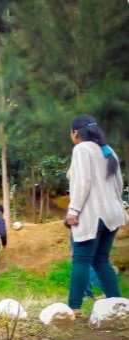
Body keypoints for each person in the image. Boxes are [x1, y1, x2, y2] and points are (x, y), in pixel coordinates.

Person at [65, 115, 126, 315]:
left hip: (92, 214)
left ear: (75, 133)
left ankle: (74, 308)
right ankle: (118, 305)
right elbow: (119, 185)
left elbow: (83, 182)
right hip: (112, 214)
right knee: (101, 259)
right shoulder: (108, 151)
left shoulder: (82, 149)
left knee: (81, 260)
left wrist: (73, 211)